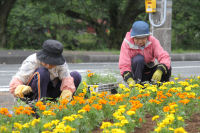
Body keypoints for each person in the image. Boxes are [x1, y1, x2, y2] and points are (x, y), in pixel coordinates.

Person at [9, 39, 82, 102]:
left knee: (76, 75)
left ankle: (60, 106)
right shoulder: (32, 61)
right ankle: (39, 105)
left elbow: (66, 78)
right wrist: (20, 88)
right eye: (47, 62)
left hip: (51, 91)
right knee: (43, 72)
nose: (49, 66)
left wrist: (67, 91)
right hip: (33, 93)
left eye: (52, 63)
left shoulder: (61, 64)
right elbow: (18, 80)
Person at [119, 21, 171, 87]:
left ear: (147, 36)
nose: (140, 42)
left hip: (149, 67)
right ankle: (138, 85)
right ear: (132, 37)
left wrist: (159, 70)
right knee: (138, 59)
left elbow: (164, 56)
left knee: (166, 67)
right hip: (136, 71)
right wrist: (129, 79)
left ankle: (162, 87)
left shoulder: (153, 41)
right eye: (137, 39)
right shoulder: (126, 43)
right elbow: (124, 65)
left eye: (143, 38)